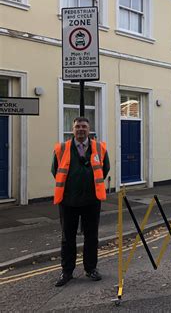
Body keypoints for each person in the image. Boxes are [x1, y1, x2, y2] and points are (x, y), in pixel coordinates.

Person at [51, 117, 110, 287]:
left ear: (89, 129)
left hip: (92, 200)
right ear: (72, 129)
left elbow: (105, 169)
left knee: (91, 237)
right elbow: (55, 170)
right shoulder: (61, 148)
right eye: (77, 126)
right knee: (67, 238)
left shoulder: (99, 148)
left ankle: (90, 269)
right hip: (68, 201)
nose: (81, 129)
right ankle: (67, 272)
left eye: (84, 126)